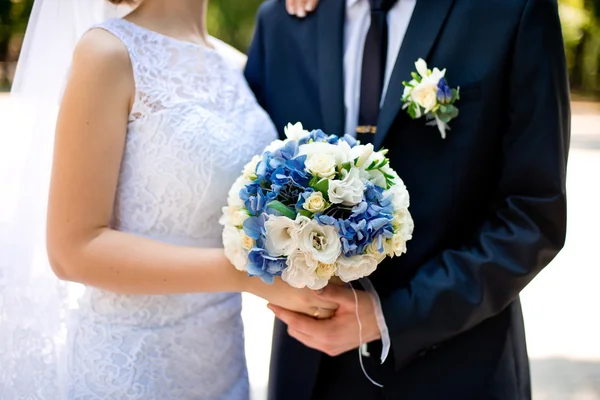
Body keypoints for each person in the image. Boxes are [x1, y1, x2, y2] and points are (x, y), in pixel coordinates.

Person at [0, 0, 329, 398]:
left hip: (221, 365)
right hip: (130, 369)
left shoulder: (235, 66)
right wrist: (248, 273)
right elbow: (72, 249)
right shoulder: (109, 54)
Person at [245, 0, 570, 398]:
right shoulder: (284, 21)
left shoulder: (511, 9)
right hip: (310, 373)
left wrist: (392, 318)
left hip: (458, 368)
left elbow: (533, 215)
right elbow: (249, 191)